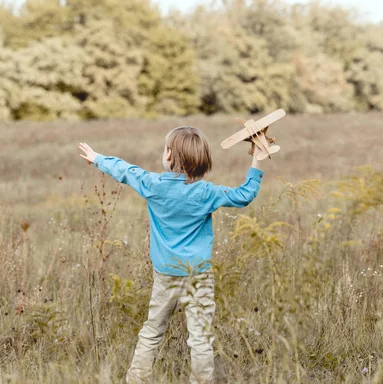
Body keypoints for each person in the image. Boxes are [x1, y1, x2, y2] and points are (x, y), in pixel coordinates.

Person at [78, 126, 265, 384]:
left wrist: (98, 158)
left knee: (153, 330)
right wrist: (257, 159)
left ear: (169, 155)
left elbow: (124, 170)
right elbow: (244, 196)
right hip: (198, 274)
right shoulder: (206, 192)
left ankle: (136, 379)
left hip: (166, 274)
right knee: (200, 337)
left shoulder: (153, 185)